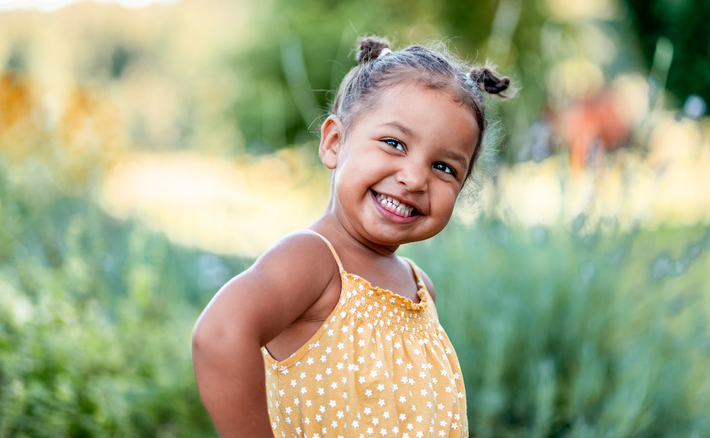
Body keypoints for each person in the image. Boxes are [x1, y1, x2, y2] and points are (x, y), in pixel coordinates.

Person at [192, 36, 513, 437]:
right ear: (334, 143)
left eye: (444, 167)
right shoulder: (314, 262)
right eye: (394, 144)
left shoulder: (419, 290)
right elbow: (219, 335)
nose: (414, 179)